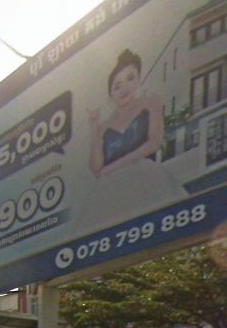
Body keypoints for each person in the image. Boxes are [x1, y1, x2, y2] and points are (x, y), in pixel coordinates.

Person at [77, 49, 186, 232]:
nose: (124, 89)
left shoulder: (151, 102)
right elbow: (96, 168)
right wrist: (94, 127)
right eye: (117, 86)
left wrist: (112, 167)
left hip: (147, 177)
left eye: (130, 78)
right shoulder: (104, 126)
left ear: (138, 79)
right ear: (110, 94)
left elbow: (154, 142)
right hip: (111, 192)